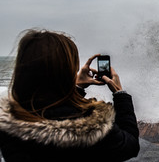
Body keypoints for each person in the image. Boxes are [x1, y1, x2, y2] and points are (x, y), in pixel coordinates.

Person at [0, 29, 140, 162]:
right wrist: (119, 93)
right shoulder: (92, 126)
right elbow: (130, 146)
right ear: (67, 72)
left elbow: (52, 110)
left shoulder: (10, 124)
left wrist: (77, 88)